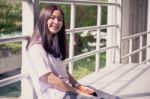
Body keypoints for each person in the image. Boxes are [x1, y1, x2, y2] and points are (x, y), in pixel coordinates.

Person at [26, 4, 121, 99]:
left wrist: (79, 86)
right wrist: (78, 91)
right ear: (43, 19)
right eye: (52, 18)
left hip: (67, 90)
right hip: (57, 95)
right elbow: (48, 78)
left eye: (60, 19)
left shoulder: (54, 43)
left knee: (106, 96)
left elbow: (63, 72)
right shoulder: (36, 48)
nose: (56, 22)